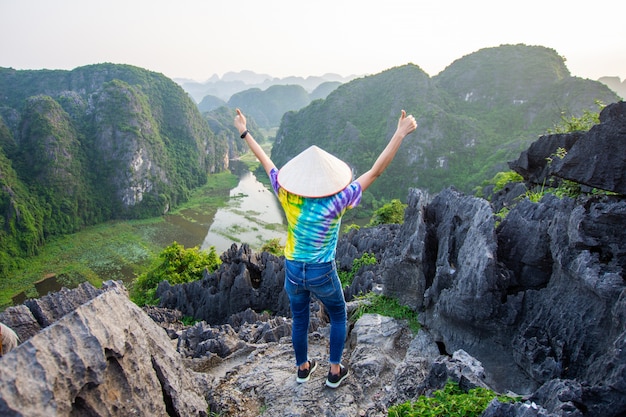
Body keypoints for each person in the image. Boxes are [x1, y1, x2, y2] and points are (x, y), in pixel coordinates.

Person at [234, 108, 417, 388]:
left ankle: (303, 368)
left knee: (299, 319)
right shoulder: (338, 200)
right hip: (322, 270)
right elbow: (376, 171)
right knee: (338, 313)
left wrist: (244, 131)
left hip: (293, 268)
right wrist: (399, 134)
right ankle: (334, 371)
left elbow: (265, 161)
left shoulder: (287, 194)